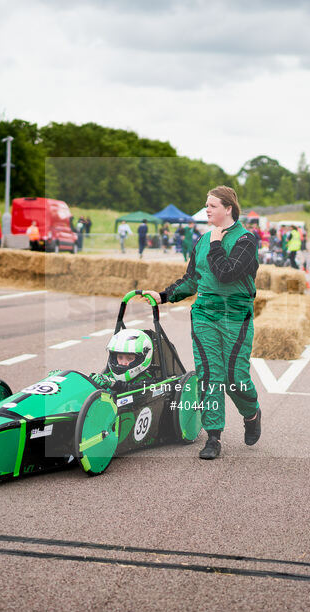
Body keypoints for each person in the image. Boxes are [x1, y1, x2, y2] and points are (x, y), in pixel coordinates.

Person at [142, 185, 261, 460]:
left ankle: (251, 412)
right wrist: (163, 295)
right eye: (207, 205)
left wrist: (217, 242)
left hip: (235, 316)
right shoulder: (202, 240)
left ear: (228, 208)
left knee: (234, 378)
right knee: (209, 375)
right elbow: (193, 279)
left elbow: (227, 274)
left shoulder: (246, 240)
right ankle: (213, 436)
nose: (207, 209)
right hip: (205, 314)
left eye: (212, 206)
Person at [89, 329, 159, 393]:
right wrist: (93, 381)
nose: (123, 362)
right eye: (120, 357)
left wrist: (113, 384)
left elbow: (133, 389)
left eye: (129, 358)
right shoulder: (109, 375)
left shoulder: (148, 381)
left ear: (142, 358)